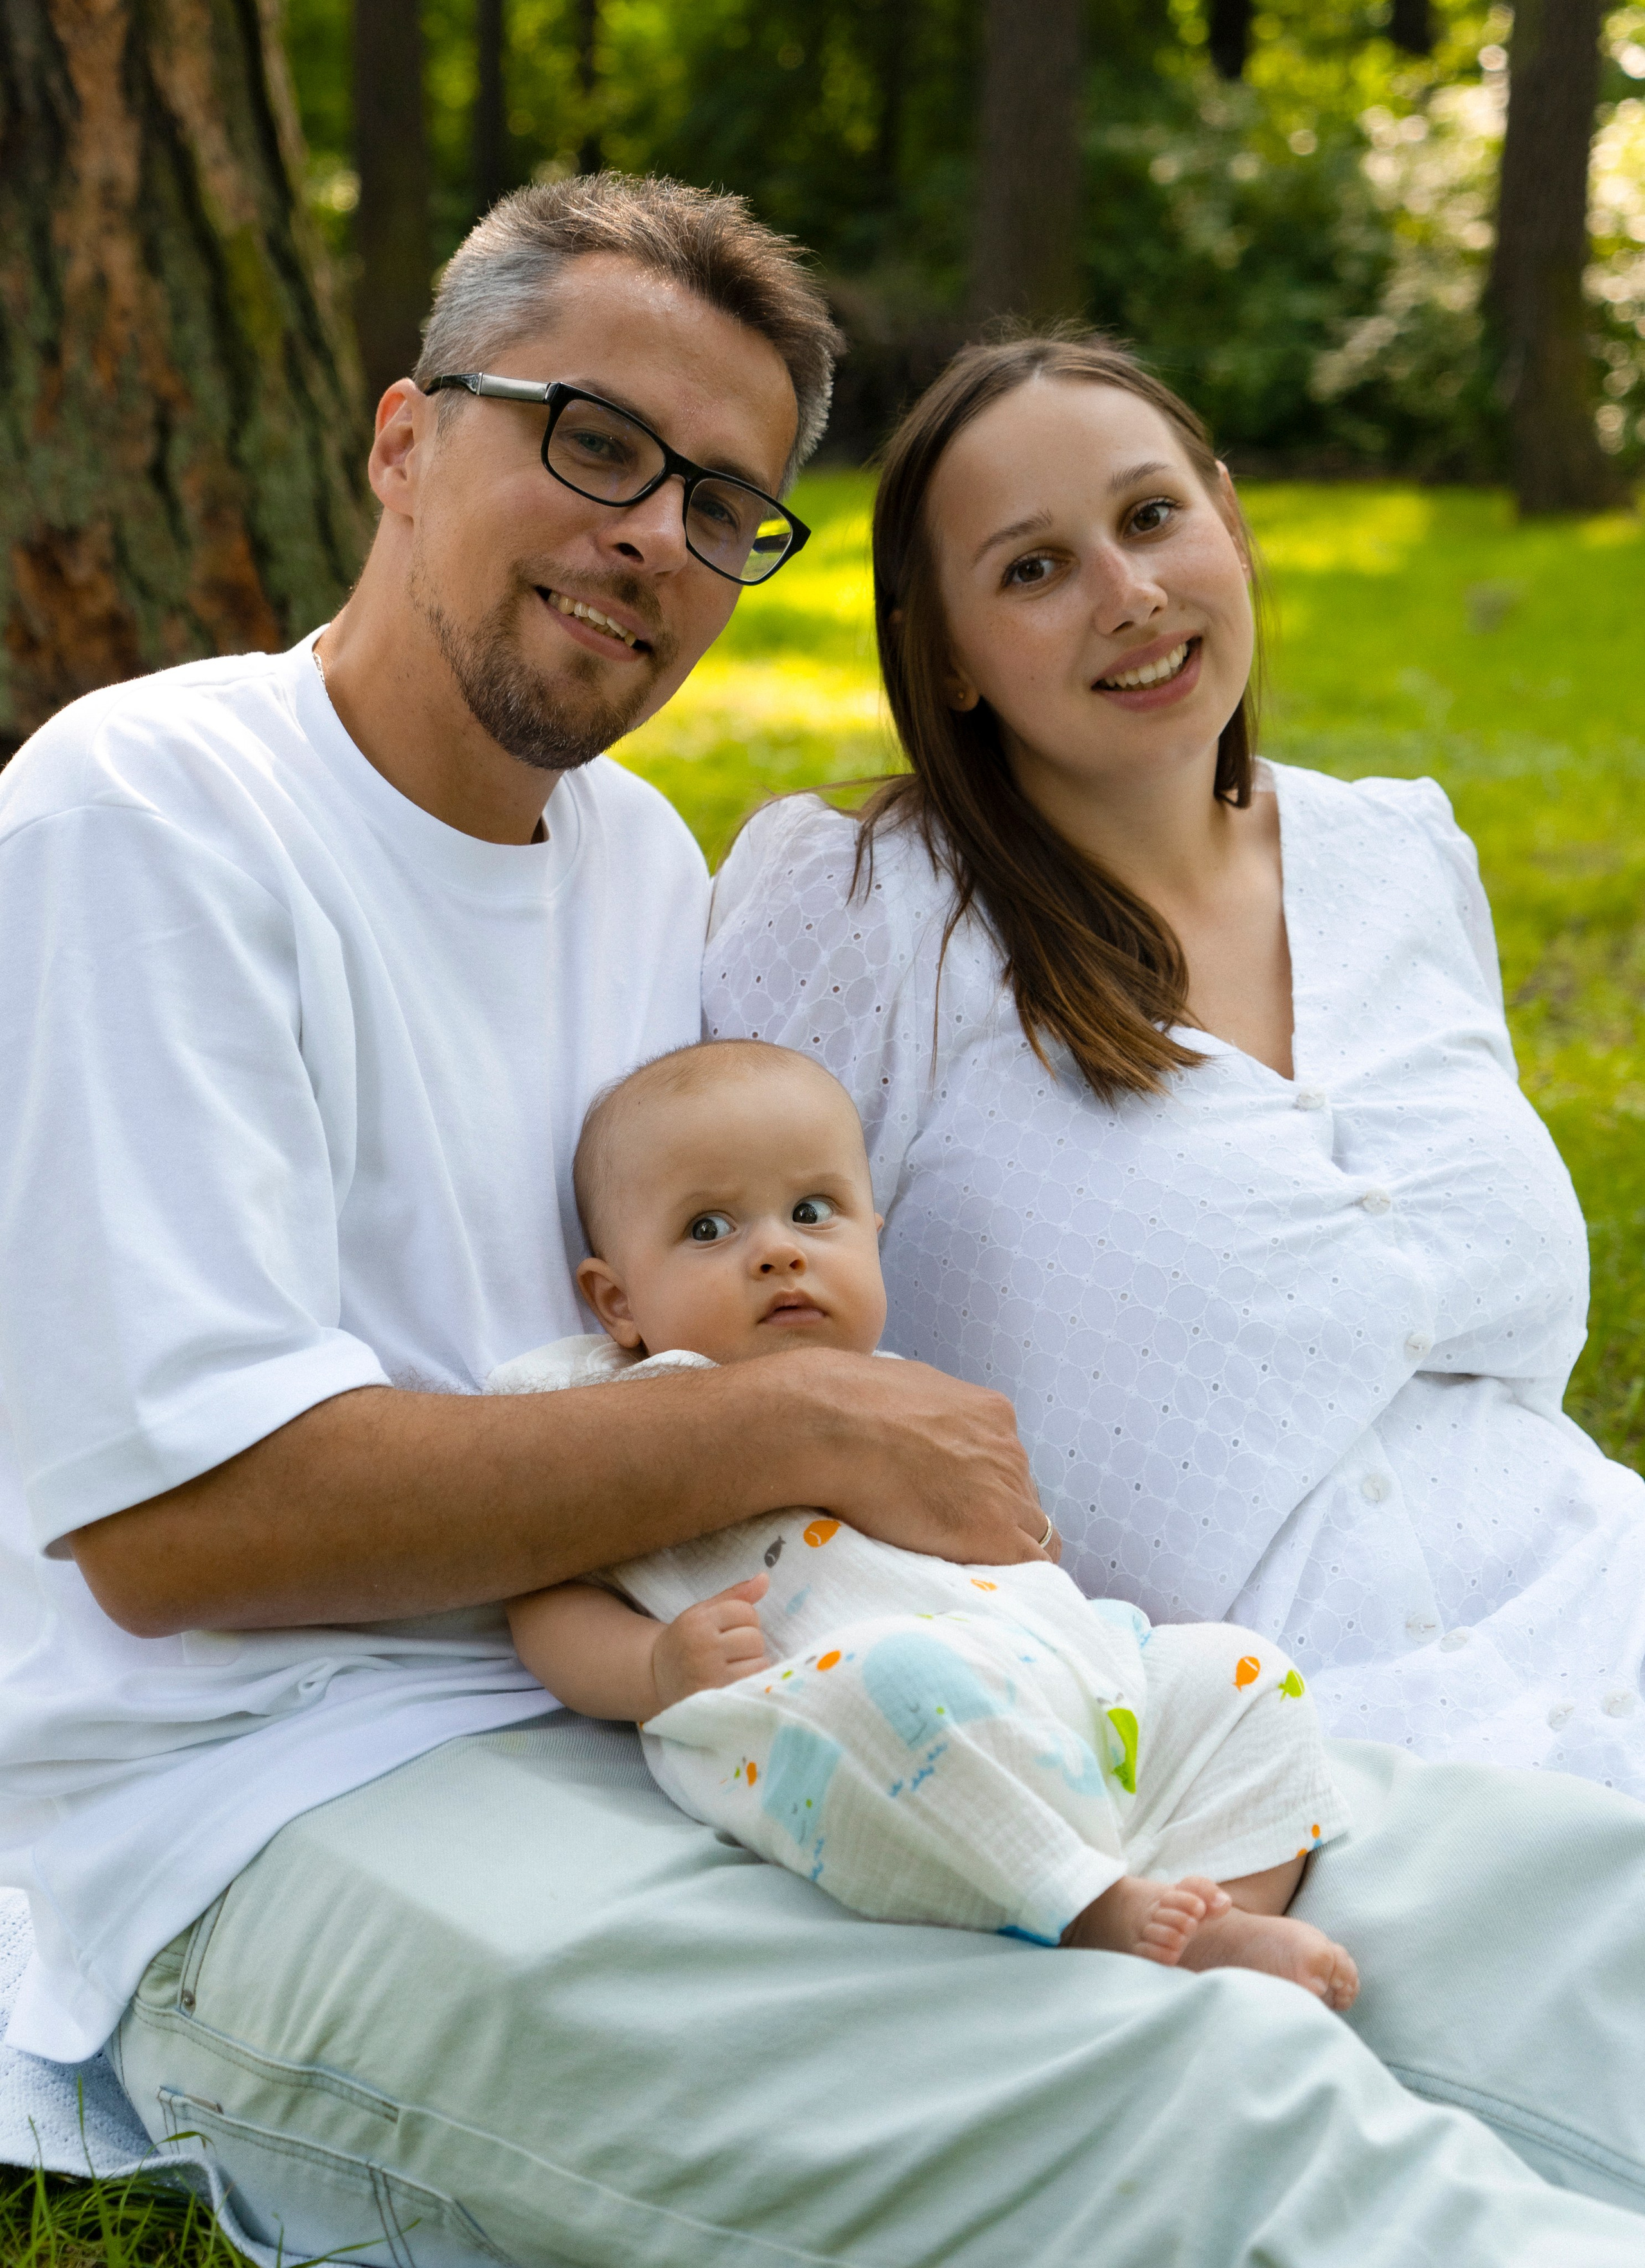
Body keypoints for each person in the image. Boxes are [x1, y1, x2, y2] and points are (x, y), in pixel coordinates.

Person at [3, 184, 1645, 2264]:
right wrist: (802, 1426)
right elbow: (179, 1528)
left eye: (720, 504)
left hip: (731, 1697)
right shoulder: (154, 810)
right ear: (406, 441)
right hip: (283, 1802)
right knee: (1187, 2096)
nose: (650, 536)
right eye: (596, 442)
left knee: (1507, 1909)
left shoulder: (631, 866)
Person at [705, 333, 1645, 1803]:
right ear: (941, 653)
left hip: (1600, 1603)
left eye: (1151, 517)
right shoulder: (864, 914)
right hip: (1262, 1768)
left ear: (1228, 517)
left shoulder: (1395, 851)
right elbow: (705, 1338)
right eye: (1033, 568)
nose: (1128, 594)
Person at [500, 1037, 1358, 2004]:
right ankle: (1095, 1911)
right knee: (901, 1685)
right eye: (709, 1227)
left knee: (1241, 1673)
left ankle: (1221, 1911)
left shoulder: (909, 1390)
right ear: (617, 1300)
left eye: (812, 1212)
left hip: (1066, 1685)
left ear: (873, 1237)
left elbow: (1015, 1541)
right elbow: (545, 1593)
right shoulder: (614, 1410)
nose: (779, 1250)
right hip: (846, 1705)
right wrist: (654, 1669)